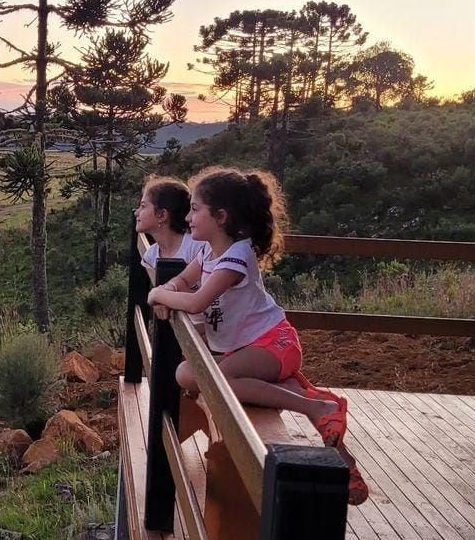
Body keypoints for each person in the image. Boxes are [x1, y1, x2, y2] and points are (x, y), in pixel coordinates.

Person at [146, 166, 368, 505]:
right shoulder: (208, 252)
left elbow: (195, 301)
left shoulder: (236, 257)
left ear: (220, 216)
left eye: (195, 209)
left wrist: (157, 296)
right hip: (245, 348)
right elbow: (183, 282)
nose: (188, 217)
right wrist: (168, 287)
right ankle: (342, 459)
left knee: (217, 383)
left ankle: (316, 406)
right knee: (186, 374)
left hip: (272, 344)